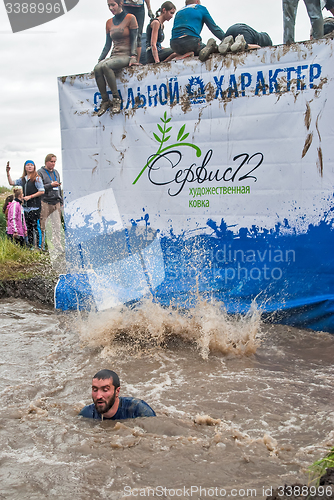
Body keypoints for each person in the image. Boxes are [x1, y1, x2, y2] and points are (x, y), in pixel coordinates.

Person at [94, 0, 139, 117]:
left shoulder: (130, 18)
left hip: (126, 55)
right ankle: (105, 101)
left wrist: (133, 56)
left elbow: (135, 39)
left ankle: (116, 99)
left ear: (120, 4)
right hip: (114, 55)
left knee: (106, 66)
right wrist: (100, 59)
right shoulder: (109, 23)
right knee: (98, 68)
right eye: (108, 6)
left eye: (113, 5)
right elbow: (107, 44)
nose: (110, 8)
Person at [79, 369, 156, 420]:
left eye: (105, 390)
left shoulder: (139, 410)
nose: (98, 396)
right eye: (95, 390)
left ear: (117, 391)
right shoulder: (86, 414)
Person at [6, 160, 44, 248]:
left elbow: (42, 191)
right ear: (25, 167)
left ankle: (39, 246)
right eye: (28, 165)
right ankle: (30, 246)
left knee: (36, 227)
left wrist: (30, 197)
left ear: (34, 167)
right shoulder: (22, 179)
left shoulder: (37, 179)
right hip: (25, 207)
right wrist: (8, 172)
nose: (30, 167)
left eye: (31, 165)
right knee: (28, 227)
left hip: (34, 207)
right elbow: (11, 183)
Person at [37, 154, 63, 254]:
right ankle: (42, 246)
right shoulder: (40, 172)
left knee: (57, 225)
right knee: (43, 224)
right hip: (45, 201)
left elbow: (59, 187)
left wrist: (61, 201)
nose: (53, 164)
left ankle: (57, 245)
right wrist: (50, 185)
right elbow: (40, 187)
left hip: (56, 201)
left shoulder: (56, 172)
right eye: (51, 161)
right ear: (46, 162)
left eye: (54, 162)